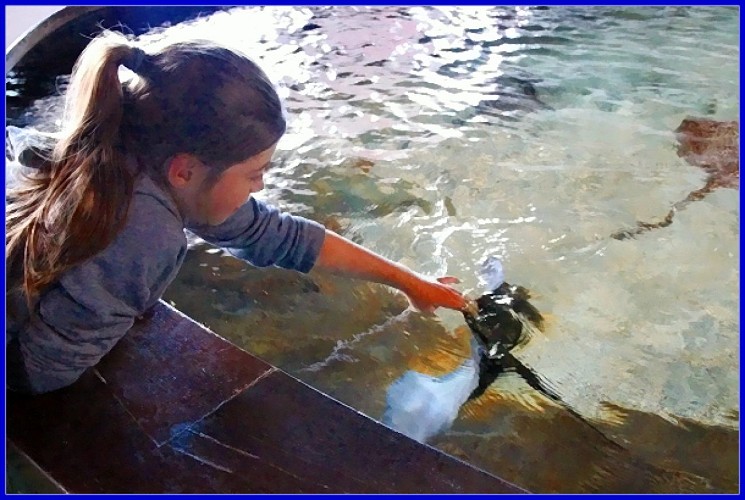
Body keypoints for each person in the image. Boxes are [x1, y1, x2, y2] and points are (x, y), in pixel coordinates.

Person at [5, 31, 468, 395]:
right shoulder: (144, 231)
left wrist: (409, 281)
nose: (261, 186)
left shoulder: (123, 152)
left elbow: (279, 235)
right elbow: (48, 366)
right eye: (254, 173)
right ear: (185, 170)